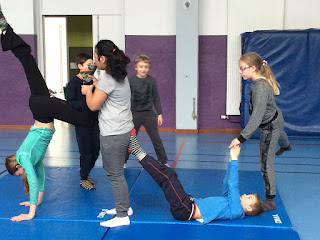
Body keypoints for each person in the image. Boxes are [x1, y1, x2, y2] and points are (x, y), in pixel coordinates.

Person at [1, 8, 97, 222]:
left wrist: (30, 214)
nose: (21, 175)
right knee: (27, 59)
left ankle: (88, 78)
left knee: (85, 120)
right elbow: (41, 179)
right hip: (38, 104)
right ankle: (6, 32)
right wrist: (38, 201)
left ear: (18, 167)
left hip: (43, 110)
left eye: (19, 174)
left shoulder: (25, 158)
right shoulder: (30, 159)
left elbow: (33, 182)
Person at [124, 133, 263, 223]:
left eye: (249, 197)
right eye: (249, 195)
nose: (245, 194)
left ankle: (137, 150)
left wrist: (235, 160)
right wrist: (230, 158)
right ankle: (135, 150)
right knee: (170, 174)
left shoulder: (237, 211)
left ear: (249, 209)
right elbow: (227, 182)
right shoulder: (231, 204)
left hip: (185, 209)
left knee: (167, 178)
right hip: (188, 202)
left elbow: (233, 185)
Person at [229, 52, 291, 211]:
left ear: (253, 68)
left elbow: (256, 117)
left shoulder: (262, 88)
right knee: (280, 131)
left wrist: (241, 138)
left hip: (270, 126)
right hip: (276, 119)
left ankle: (271, 200)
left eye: (242, 69)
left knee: (265, 162)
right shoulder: (258, 80)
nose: (240, 72)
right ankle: (285, 145)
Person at [81, 40, 134, 228]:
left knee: (114, 174)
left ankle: (122, 216)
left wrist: (88, 91)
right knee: (117, 172)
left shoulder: (107, 78)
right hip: (124, 129)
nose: (94, 60)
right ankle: (125, 208)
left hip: (113, 133)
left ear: (103, 58)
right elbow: (107, 89)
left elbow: (93, 105)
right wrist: (95, 81)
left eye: (96, 56)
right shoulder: (119, 74)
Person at [126, 55, 168, 165]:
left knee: (156, 139)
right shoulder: (130, 81)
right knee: (129, 140)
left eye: (145, 67)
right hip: (134, 114)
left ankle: (163, 162)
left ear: (148, 68)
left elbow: (156, 98)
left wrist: (159, 113)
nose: (143, 69)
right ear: (136, 67)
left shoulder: (151, 81)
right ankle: (123, 162)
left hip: (148, 114)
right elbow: (125, 98)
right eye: (141, 66)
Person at [66, 53, 100, 190]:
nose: (90, 67)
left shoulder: (93, 80)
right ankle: (84, 177)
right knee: (86, 152)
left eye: (92, 65)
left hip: (94, 121)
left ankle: (86, 172)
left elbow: (98, 98)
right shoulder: (74, 83)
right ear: (80, 66)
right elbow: (70, 103)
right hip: (81, 122)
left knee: (96, 150)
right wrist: (86, 102)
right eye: (87, 65)